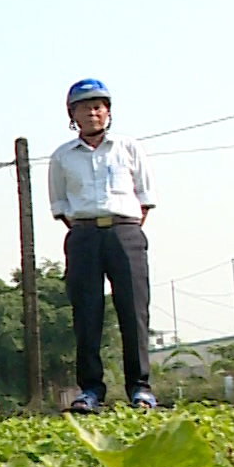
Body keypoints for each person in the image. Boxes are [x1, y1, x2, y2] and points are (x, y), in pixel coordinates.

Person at [50, 78, 157, 412]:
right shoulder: (62, 157)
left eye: (99, 107)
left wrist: (121, 226)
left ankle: (140, 388)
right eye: (85, 108)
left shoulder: (129, 147)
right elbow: (62, 205)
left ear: (108, 112)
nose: (93, 114)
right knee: (87, 313)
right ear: (73, 115)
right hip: (83, 236)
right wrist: (89, 227)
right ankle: (91, 390)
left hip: (125, 232)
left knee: (134, 311)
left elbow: (144, 197)